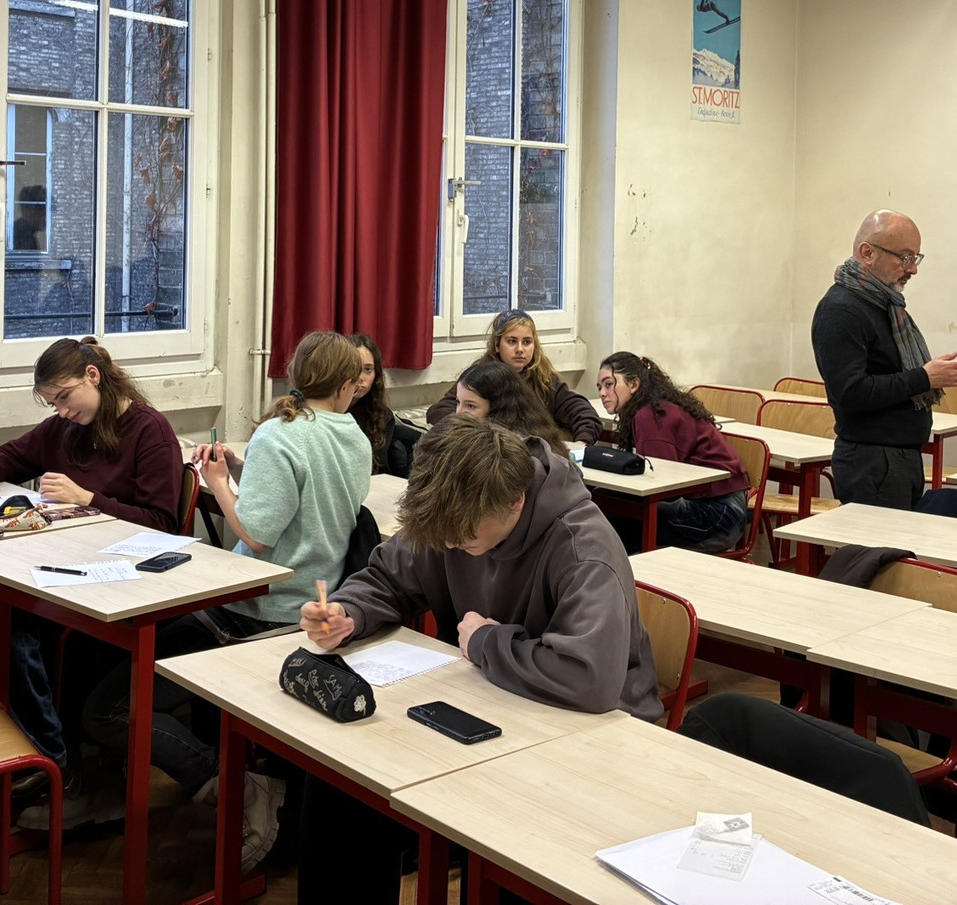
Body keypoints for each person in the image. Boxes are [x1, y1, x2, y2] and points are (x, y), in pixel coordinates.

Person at [293, 414, 659, 904]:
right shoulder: (456, 516)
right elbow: (388, 577)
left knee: (508, 852)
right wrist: (348, 612)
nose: (448, 544)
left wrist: (487, 643)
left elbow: (589, 679)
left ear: (515, 500)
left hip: (589, 739)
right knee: (341, 790)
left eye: (462, 534)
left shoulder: (583, 548)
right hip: (489, 711)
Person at [74, 331, 370, 862]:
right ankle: (245, 784)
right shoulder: (354, 436)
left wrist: (217, 482)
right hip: (307, 604)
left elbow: (257, 534)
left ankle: (233, 785)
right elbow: (302, 503)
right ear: (349, 385)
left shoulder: (282, 434)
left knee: (108, 710)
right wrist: (241, 471)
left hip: (257, 610)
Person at [0, 336, 184, 775]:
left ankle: (49, 757)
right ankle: (13, 748)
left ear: (93, 376)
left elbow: (162, 524)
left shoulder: (148, 430)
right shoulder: (66, 429)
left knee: (15, 621)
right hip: (73, 561)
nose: (61, 411)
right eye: (52, 404)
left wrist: (88, 497)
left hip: (123, 576)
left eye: (65, 397)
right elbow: (13, 453)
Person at [810, 210, 957, 510]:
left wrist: (932, 374)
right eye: (904, 257)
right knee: (879, 554)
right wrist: (925, 378)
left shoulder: (884, 304)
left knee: (901, 553)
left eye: (915, 258)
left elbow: (888, 372)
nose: (912, 269)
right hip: (872, 461)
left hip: (898, 457)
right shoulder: (841, 310)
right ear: (867, 253)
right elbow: (850, 392)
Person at [597, 351, 749, 553]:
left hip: (719, 516)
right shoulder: (649, 409)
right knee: (605, 510)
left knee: (609, 524)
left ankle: (634, 581)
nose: (602, 393)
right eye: (599, 387)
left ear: (634, 385)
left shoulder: (651, 416)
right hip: (718, 507)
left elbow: (659, 487)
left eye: (609, 384)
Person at [424, 308, 602, 443]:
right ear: (496, 345)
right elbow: (439, 411)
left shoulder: (544, 379)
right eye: (511, 341)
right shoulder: (478, 377)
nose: (520, 349)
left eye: (527, 342)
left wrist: (582, 443)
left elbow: (583, 413)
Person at [451, 359, 569, 456]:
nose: (459, 413)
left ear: (497, 408)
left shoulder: (510, 451)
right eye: (458, 403)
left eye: (471, 406)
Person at [347, 332, 416, 478]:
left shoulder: (381, 415)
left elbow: (375, 468)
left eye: (368, 369)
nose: (360, 378)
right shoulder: (327, 411)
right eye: (354, 368)